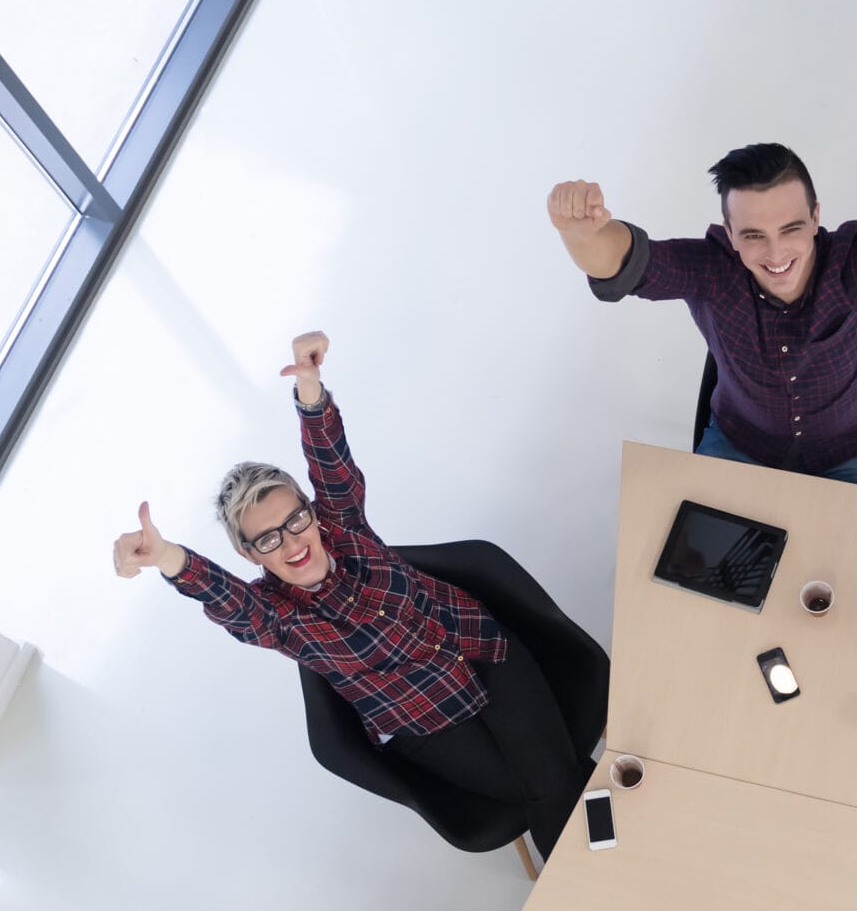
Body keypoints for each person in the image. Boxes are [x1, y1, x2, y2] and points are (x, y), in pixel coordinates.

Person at [112, 330, 592, 856]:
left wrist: (310, 390)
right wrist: (166, 558)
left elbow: (332, 467)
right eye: (269, 538)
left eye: (296, 519)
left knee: (549, 786)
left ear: (310, 511)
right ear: (251, 555)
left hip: (483, 649)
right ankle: (622, 863)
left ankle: (606, 882)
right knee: (549, 786)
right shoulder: (279, 619)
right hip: (427, 720)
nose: (293, 542)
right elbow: (229, 601)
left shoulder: (345, 530)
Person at [546, 142, 857, 493]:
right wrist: (581, 232)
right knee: (696, 579)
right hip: (741, 444)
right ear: (730, 233)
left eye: (790, 229)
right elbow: (624, 262)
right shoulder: (712, 270)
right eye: (753, 235)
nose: (775, 254)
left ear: (815, 217)